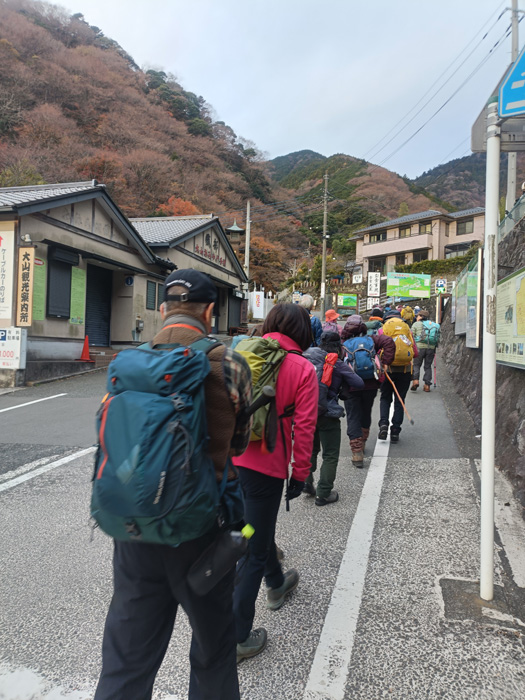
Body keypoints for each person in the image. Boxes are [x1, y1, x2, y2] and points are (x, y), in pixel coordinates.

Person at [94, 269, 253, 700]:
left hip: (135, 526)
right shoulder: (229, 363)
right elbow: (239, 442)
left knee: (127, 658)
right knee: (213, 649)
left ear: (163, 310)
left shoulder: (128, 364)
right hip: (203, 530)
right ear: (209, 311)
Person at [232, 303, 318, 662]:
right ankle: (237, 638)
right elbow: (305, 427)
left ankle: (277, 581)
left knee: (254, 527)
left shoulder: (239, 353)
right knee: (252, 549)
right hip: (266, 468)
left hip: (229, 461)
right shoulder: (302, 367)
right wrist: (300, 473)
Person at [304, 331, 365, 502]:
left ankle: (306, 482)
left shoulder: (307, 358)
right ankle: (323, 493)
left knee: (310, 449)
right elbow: (359, 383)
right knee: (330, 454)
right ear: (339, 346)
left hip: (305, 413)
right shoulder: (336, 363)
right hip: (327, 414)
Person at [341, 315, 395, 466]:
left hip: (351, 385)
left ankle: (357, 452)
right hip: (370, 384)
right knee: (366, 412)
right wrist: (385, 362)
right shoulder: (372, 340)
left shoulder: (343, 344)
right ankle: (363, 442)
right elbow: (389, 341)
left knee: (353, 415)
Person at [377, 309, 418, 443]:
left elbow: (377, 350)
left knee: (385, 398)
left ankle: (384, 424)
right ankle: (395, 431)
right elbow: (415, 353)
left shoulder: (382, 330)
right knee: (400, 400)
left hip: (387, 370)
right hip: (405, 371)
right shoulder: (407, 330)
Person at [411, 309, 436, 392]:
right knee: (428, 366)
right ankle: (427, 385)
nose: (417, 317)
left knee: (416, 365)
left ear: (421, 316)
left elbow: (411, 335)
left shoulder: (416, 324)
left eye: (418, 315)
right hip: (431, 348)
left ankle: (415, 381)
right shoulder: (432, 324)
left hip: (419, 348)